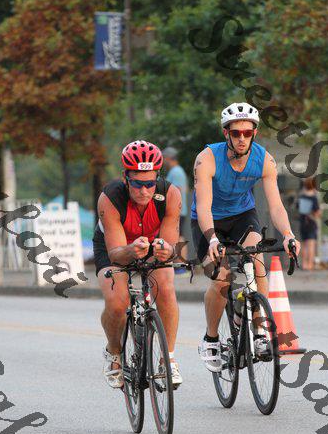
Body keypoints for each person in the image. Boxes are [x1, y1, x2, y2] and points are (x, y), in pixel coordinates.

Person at [191, 101, 301, 372]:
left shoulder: (264, 160)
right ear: (226, 133)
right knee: (221, 279)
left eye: (247, 133)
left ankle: (259, 332)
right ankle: (211, 339)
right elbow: (203, 206)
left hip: (242, 215)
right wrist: (213, 239)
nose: (242, 138)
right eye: (236, 133)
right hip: (209, 220)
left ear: (254, 133)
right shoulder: (207, 159)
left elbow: (276, 206)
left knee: (257, 260)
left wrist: (288, 234)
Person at [93, 140, 183, 388]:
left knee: (166, 288)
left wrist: (166, 251)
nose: (144, 191)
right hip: (115, 247)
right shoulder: (110, 198)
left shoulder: (171, 195)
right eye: (137, 184)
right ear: (126, 178)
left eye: (150, 184)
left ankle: (168, 359)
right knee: (117, 301)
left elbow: (170, 246)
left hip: (151, 242)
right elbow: (116, 254)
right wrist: (131, 250)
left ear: (157, 178)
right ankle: (114, 353)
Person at [162, 147, 189, 270]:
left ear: (168, 158)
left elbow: (176, 191)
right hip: (178, 211)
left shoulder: (176, 172)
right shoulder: (177, 171)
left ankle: (181, 266)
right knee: (178, 236)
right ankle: (180, 266)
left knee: (178, 237)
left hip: (177, 211)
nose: (163, 161)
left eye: (164, 158)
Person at [298, 176, 321, 270]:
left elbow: (299, 209)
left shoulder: (302, 196)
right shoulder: (313, 197)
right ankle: (310, 264)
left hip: (303, 223)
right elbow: (317, 213)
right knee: (311, 245)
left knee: (304, 245)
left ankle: (304, 264)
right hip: (311, 223)